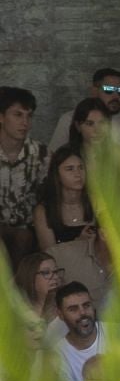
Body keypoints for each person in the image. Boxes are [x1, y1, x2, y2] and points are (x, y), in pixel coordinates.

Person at [33, 146, 109, 305]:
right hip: (64, 267)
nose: (78, 174)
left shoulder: (96, 202)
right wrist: (78, 240)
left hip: (93, 264)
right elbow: (49, 253)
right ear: (57, 174)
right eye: (70, 169)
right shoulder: (44, 209)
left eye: (81, 168)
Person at [0, 86, 49, 261]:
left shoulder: (40, 153)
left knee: (23, 238)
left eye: (29, 116)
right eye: (18, 115)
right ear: (1, 117)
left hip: (26, 232)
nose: (25, 122)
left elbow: (48, 195)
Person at [49, 68, 120, 150]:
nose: (116, 96)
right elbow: (54, 158)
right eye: (109, 90)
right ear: (94, 91)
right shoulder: (69, 119)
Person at [50, 281, 105, 381]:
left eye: (86, 305)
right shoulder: (58, 354)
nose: (83, 313)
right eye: (73, 309)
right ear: (60, 314)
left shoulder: (116, 332)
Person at [14, 251, 66, 347]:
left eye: (56, 271)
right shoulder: (17, 313)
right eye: (46, 272)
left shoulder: (66, 308)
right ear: (30, 277)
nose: (54, 277)